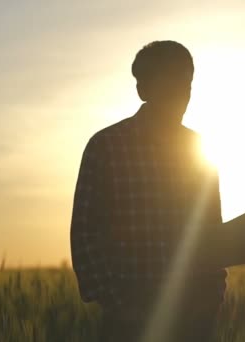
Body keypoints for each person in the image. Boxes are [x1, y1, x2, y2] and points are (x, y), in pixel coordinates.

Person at [70, 41, 225, 342]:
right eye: (169, 85)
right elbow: (85, 233)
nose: (180, 96)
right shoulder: (106, 147)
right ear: (143, 90)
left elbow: (212, 231)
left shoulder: (202, 148)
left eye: (186, 85)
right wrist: (118, 304)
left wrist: (212, 297)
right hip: (128, 320)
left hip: (193, 318)